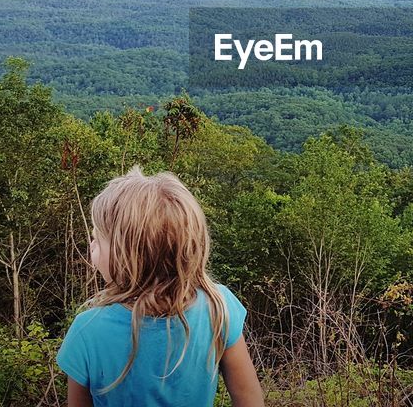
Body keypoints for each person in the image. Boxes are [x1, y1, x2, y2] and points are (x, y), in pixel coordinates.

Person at [56, 166, 264, 407]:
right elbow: (250, 399)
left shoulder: (87, 330)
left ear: (127, 256)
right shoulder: (219, 306)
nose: (92, 245)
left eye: (98, 238)